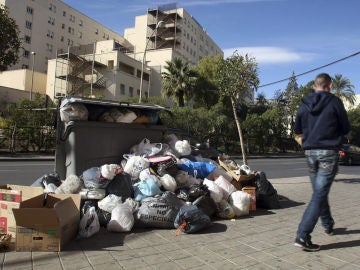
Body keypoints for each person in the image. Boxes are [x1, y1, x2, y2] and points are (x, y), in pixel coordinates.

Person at [293, 73, 350, 252]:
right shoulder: (335, 102)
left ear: (314, 85)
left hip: (310, 153)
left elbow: (297, 129)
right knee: (319, 194)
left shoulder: (304, 104)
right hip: (328, 152)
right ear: (330, 86)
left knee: (319, 192)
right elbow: (346, 127)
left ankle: (328, 224)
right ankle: (303, 235)